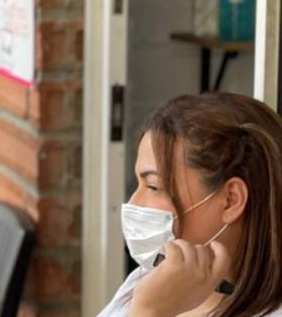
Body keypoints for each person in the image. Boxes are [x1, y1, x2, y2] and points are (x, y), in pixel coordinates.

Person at [98, 92, 282, 316]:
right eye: (139, 184)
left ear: (230, 201)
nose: (134, 202)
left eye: (154, 186)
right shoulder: (153, 281)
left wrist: (150, 311)